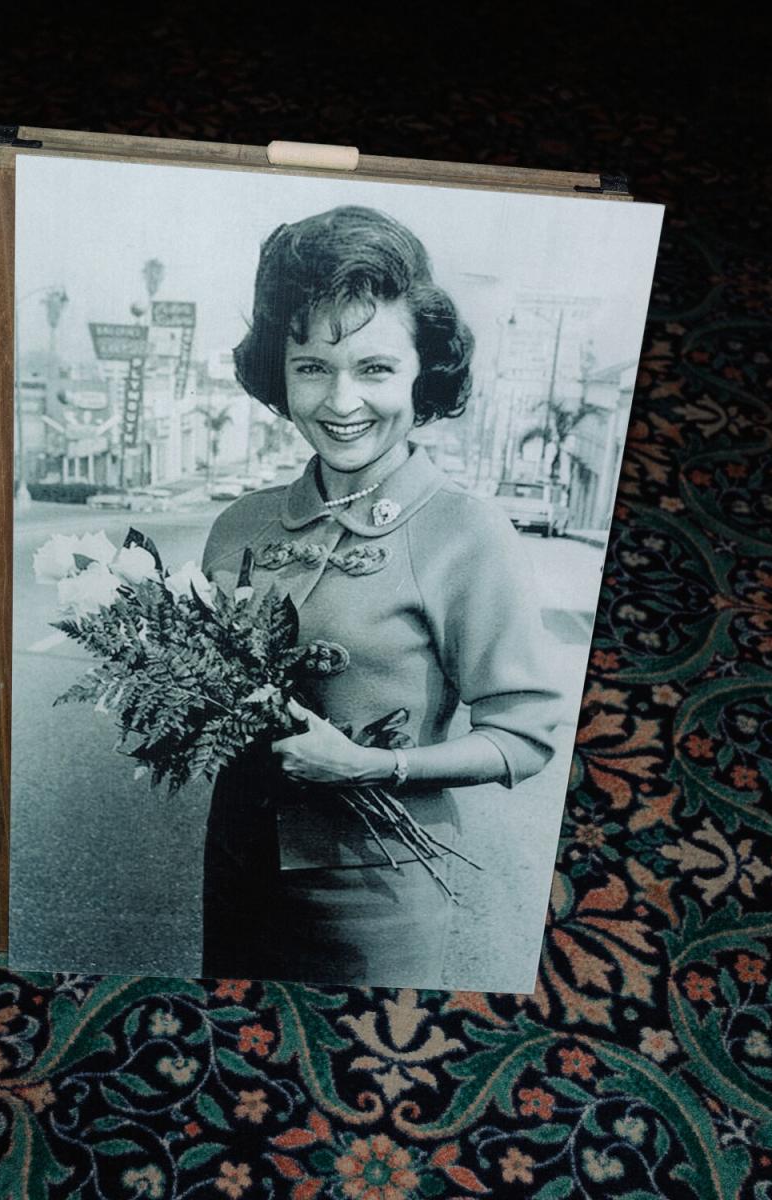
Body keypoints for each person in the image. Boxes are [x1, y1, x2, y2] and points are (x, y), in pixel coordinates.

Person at [200, 205, 563, 987]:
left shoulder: (469, 533)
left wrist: (372, 767)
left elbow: (524, 738)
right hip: (235, 867)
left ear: (421, 373)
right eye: (311, 368)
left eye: (373, 368)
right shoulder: (239, 525)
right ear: (279, 373)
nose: (340, 401)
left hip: (373, 898)